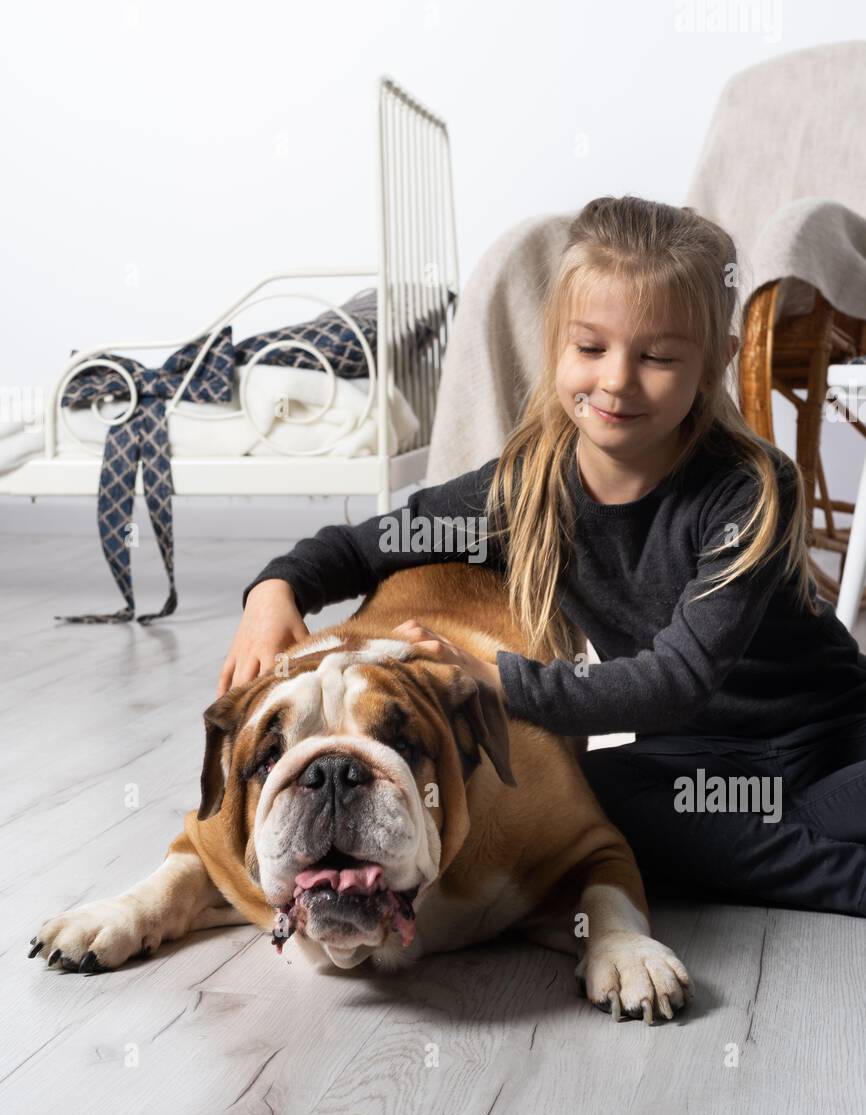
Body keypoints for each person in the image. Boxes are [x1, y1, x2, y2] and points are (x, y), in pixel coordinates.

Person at [218, 194, 866, 918]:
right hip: (704, 763)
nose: (616, 379)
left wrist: (496, 679)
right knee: (601, 802)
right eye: (591, 348)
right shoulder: (523, 489)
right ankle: (819, 856)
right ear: (557, 344)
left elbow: (676, 681)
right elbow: (366, 545)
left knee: (707, 831)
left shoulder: (750, 490)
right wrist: (275, 588)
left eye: (656, 357)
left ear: (716, 361)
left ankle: (793, 844)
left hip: (833, 738)